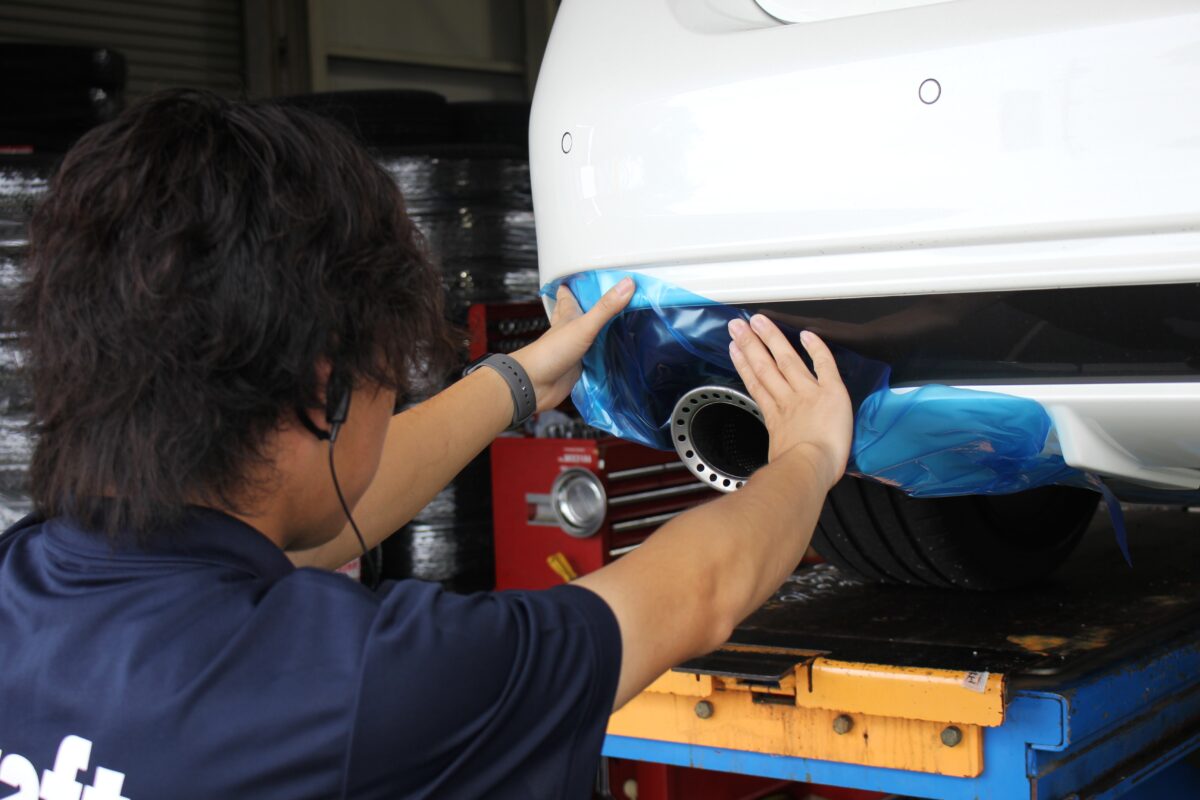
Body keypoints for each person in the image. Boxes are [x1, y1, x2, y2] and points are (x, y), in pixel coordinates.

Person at [0, 90, 851, 799]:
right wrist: (807, 457)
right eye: (390, 380)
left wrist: (517, 380)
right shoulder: (359, 686)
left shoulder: (25, 579)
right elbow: (696, 594)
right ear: (327, 391)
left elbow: (311, 506)